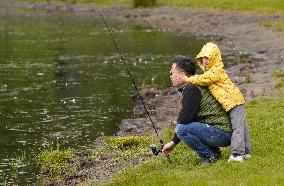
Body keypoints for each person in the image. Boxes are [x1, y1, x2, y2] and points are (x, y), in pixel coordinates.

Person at [173, 42, 251, 162]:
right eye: (203, 58)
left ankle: (237, 154)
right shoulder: (209, 73)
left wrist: (187, 79)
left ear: (214, 58)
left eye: (208, 58)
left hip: (233, 101)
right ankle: (246, 152)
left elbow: (204, 79)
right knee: (241, 127)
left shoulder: (216, 70)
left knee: (238, 128)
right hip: (229, 102)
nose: (205, 61)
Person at [162, 56, 232, 164]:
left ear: (182, 74)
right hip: (222, 132)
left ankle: (210, 156)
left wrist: (173, 141)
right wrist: (173, 142)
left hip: (222, 134)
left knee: (181, 128)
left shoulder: (191, 88)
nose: (170, 76)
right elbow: (189, 119)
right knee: (185, 126)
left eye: (172, 73)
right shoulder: (194, 85)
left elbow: (184, 120)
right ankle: (214, 153)